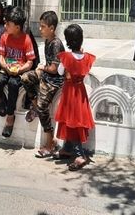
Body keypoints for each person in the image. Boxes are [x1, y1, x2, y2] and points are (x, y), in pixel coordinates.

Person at [21, 11, 65, 158]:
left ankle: (50, 141)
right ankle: (35, 105)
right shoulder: (47, 41)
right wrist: (42, 69)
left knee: (42, 106)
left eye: (43, 26)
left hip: (55, 80)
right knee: (25, 78)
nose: (40, 29)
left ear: (51, 28)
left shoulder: (56, 44)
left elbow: (54, 69)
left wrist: (42, 68)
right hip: (46, 76)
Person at [54, 24, 96, 171]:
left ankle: (80, 154)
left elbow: (60, 72)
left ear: (68, 41)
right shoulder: (87, 57)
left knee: (71, 121)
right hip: (80, 92)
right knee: (74, 122)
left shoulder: (66, 57)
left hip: (69, 92)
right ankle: (67, 148)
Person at [0, 6, 35, 138]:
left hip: (19, 72)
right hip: (6, 69)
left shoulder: (26, 39)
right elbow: (1, 56)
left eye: (8, 24)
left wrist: (20, 69)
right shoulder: (4, 37)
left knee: (13, 85)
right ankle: (0, 100)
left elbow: (30, 62)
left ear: (17, 27)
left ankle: (10, 117)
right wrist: (5, 66)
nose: (5, 26)